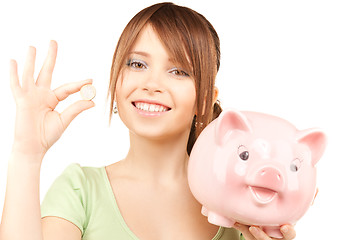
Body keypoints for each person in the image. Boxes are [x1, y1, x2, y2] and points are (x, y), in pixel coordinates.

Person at [0, 2, 296, 240]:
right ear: (117, 80)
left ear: (205, 99)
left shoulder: (238, 205)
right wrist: (27, 154)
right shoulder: (80, 190)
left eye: (179, 70)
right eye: (137, 64)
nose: (152, 84)